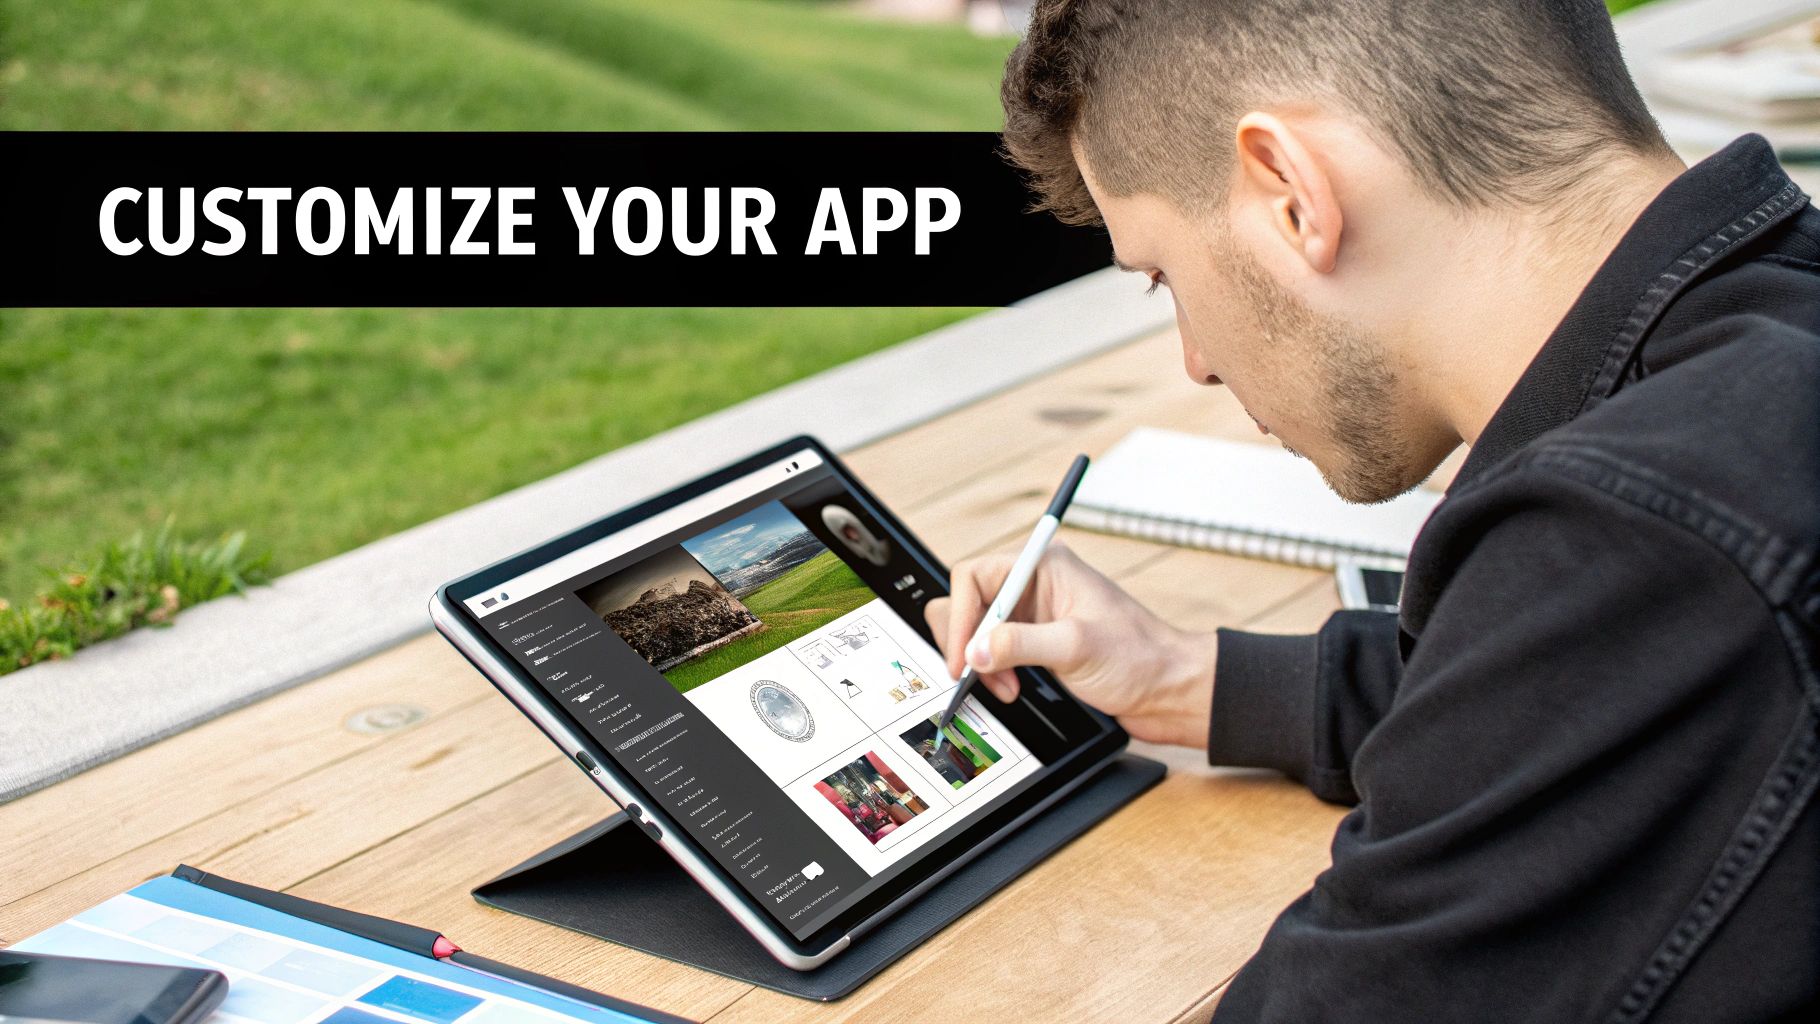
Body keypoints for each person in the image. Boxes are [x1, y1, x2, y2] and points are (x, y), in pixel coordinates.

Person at [926, 1, 1820, 1020]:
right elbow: (1549, 706)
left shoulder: (1650, 535)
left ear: (1291, 193)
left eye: (1161, 275)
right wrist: (1186, 678)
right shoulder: (1767, 339)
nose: (1196, 360)